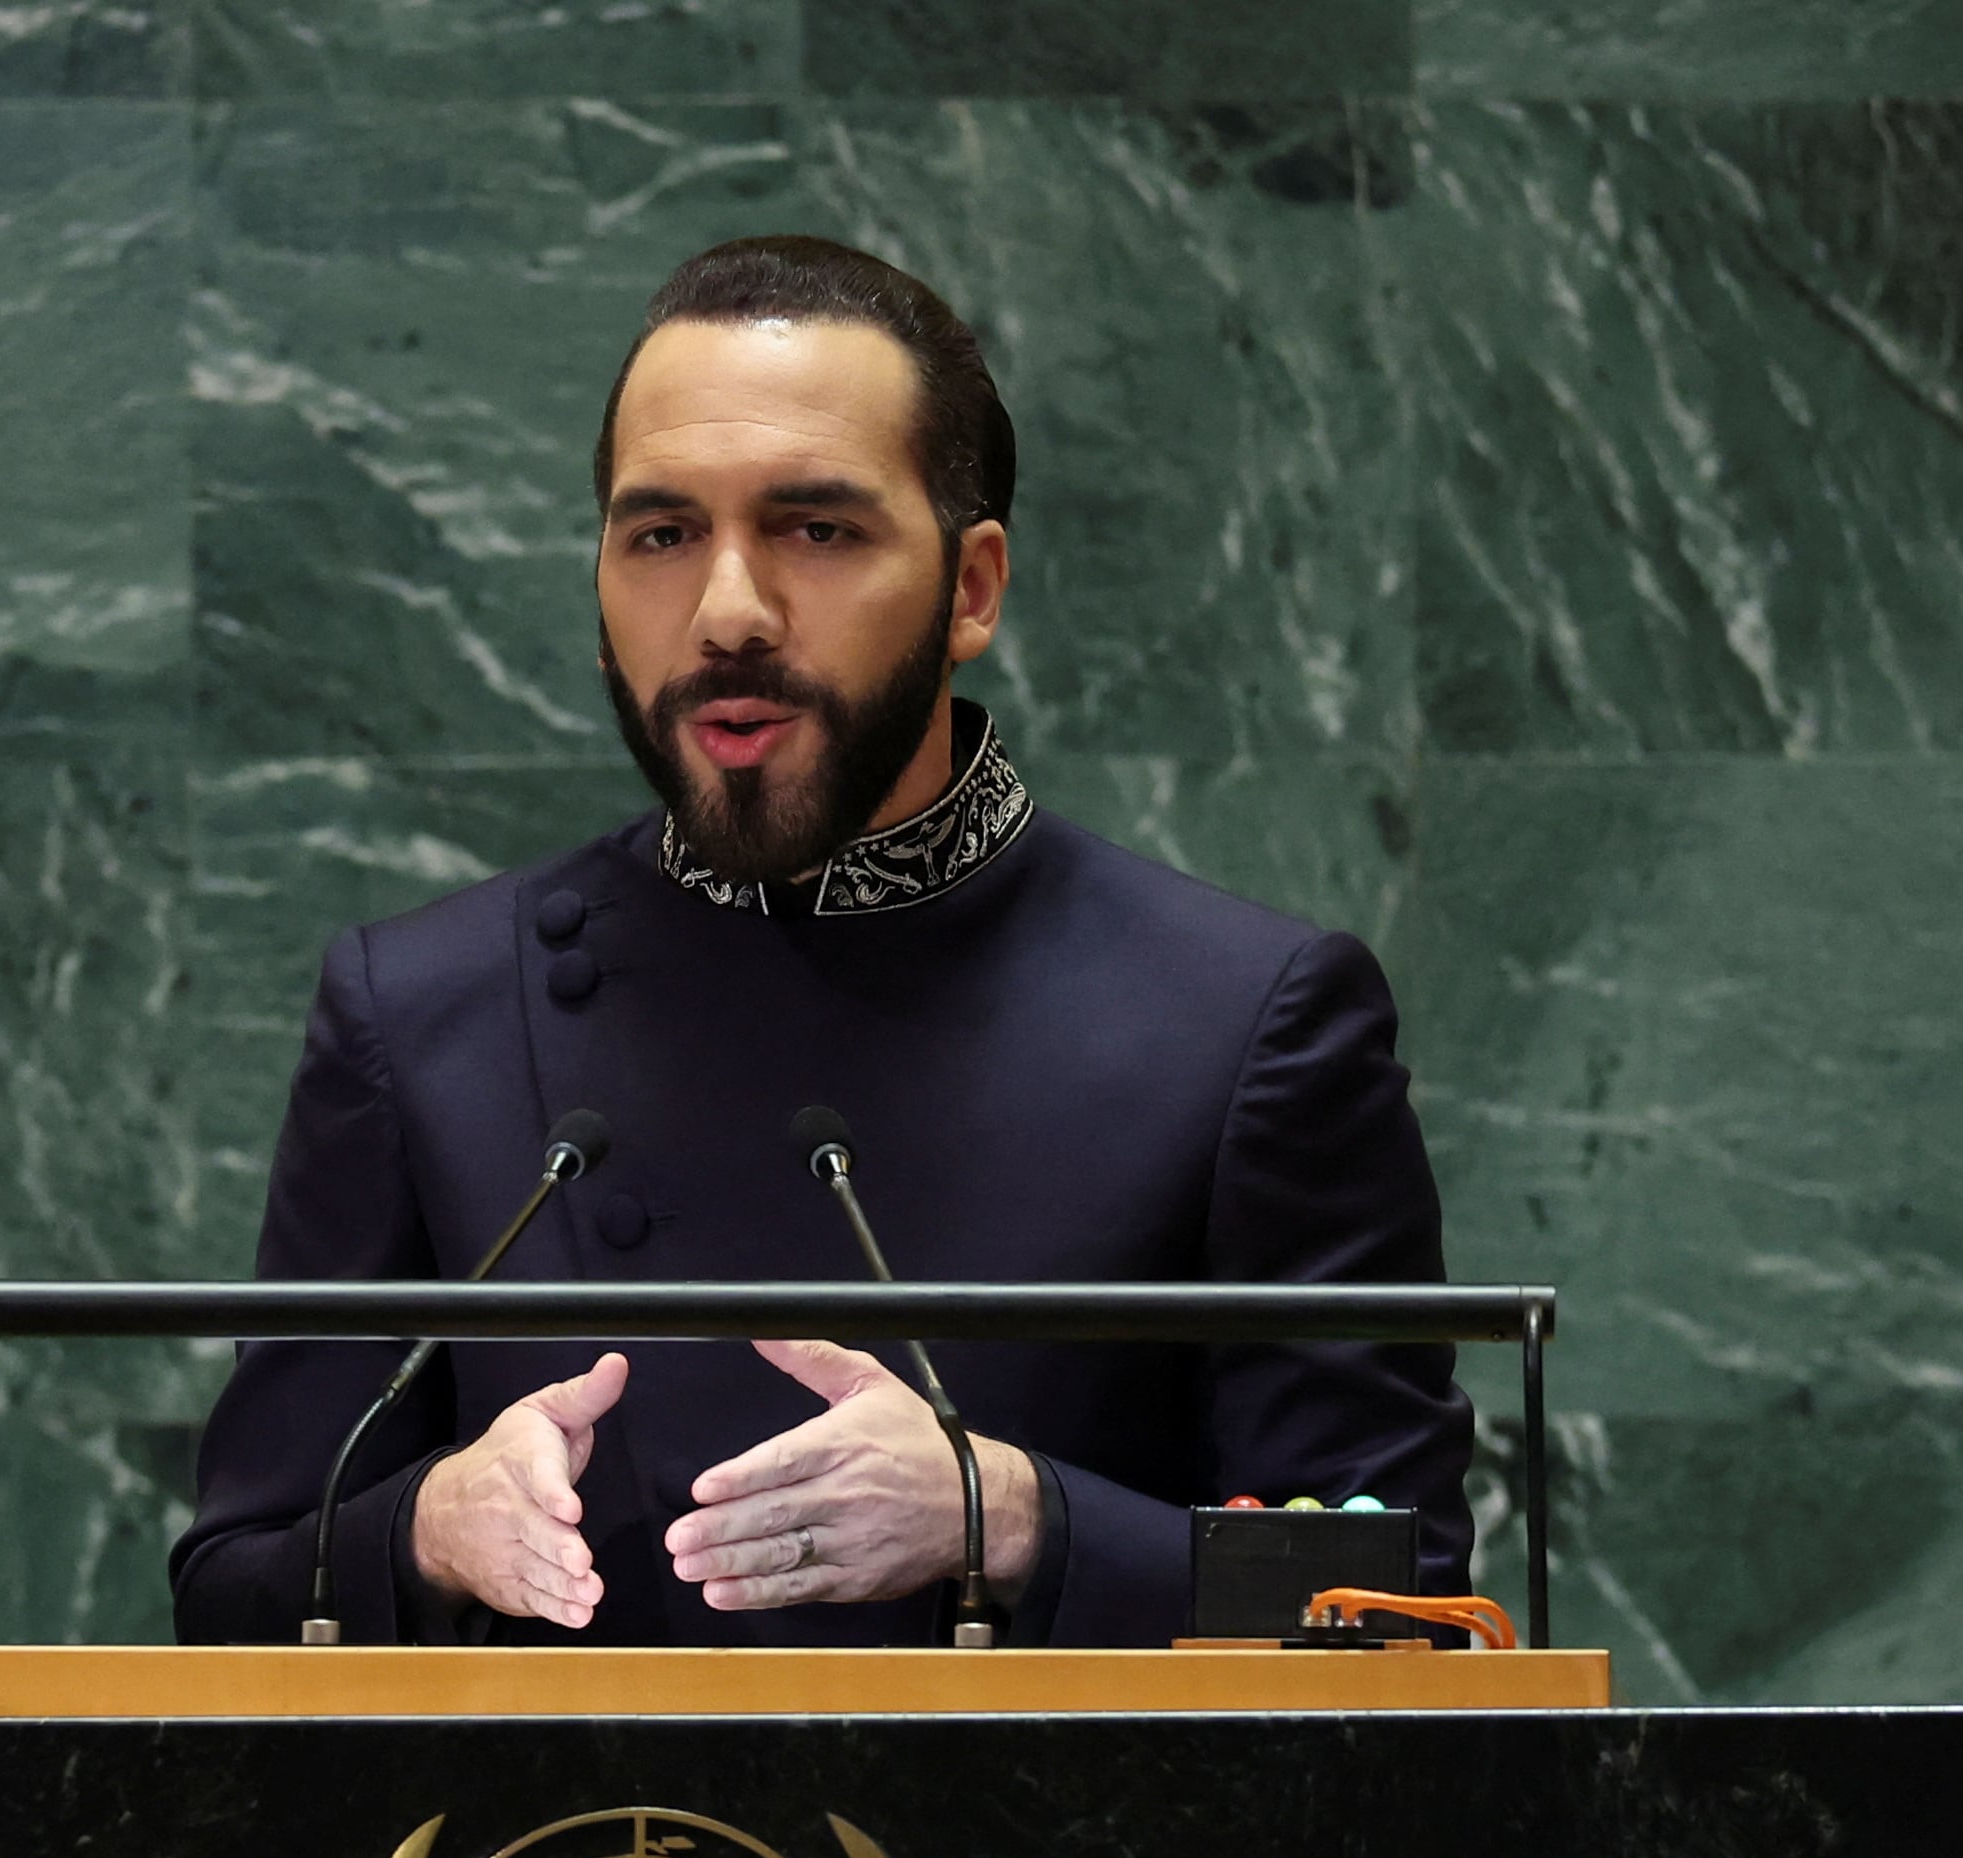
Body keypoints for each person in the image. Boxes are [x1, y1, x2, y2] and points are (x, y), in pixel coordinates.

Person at [170, 235, 1471, 1649]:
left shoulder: (1244, 1023)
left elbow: (1406, 1618)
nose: (728, 610)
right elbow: (235, 1588)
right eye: (661, 534)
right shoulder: (417, 1010)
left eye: (818, 529)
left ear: (972, 589)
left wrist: (1020, 1519)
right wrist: (423, 1532)